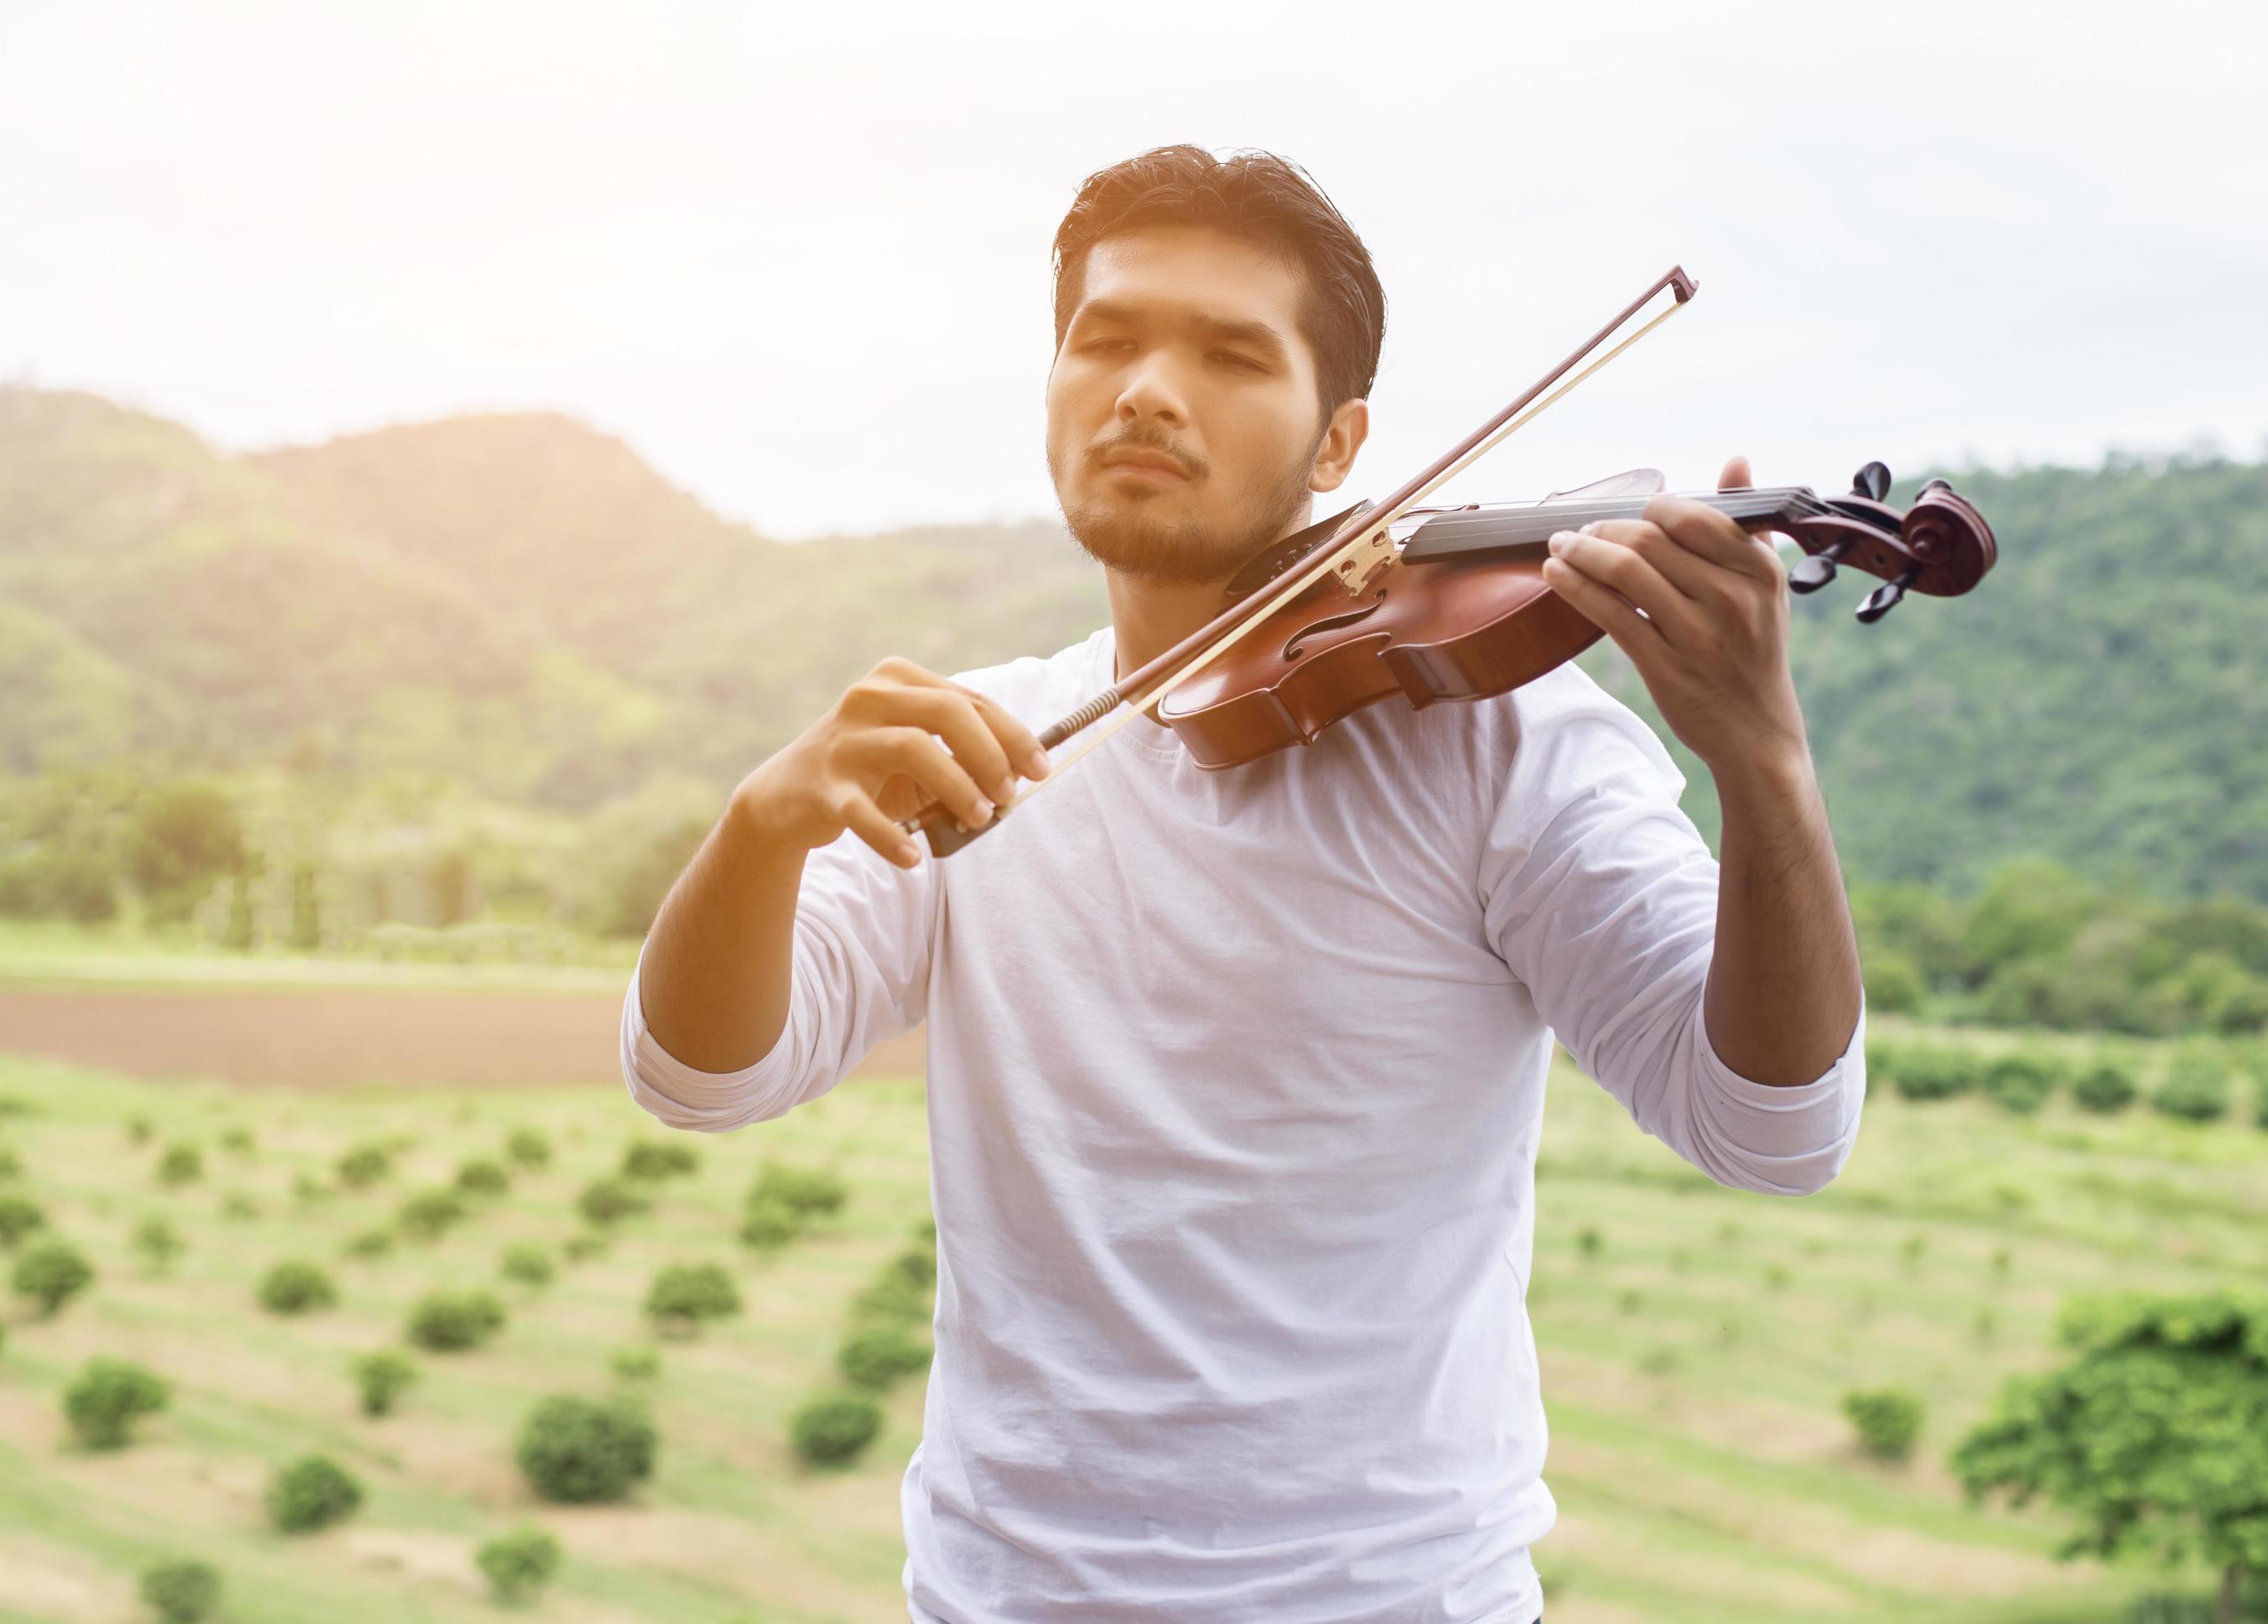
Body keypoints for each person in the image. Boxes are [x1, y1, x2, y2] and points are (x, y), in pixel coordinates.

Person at [621, 143, 1866, 1624]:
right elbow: (699, 1078)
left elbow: (1775, 1129)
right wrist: (760, 828)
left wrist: (1763, 771)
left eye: (1228, 355)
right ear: (1050, 388)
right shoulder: (985, 742)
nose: (1147, 387)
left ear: (1341, 449)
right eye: (1107, 338)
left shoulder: (1502, 740)